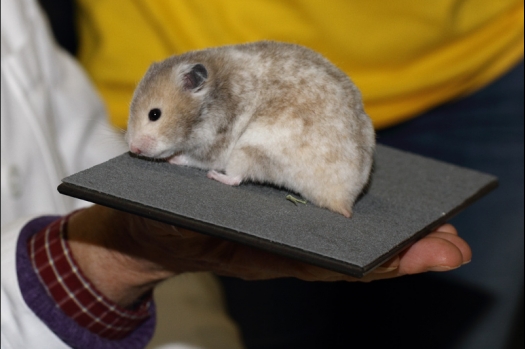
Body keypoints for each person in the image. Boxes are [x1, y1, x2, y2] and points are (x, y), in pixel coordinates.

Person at [1, 1, 472, 348]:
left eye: (153, 118)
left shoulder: (228, 93)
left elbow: (67, 128)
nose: (136, 142)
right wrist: (124, 252)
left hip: (459, 63)